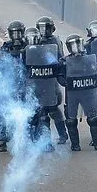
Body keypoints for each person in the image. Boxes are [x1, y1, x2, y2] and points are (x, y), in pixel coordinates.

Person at [58, 34, 97, 151]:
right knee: (71, 120)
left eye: (78, 44)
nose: (76, 47)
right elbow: (59, 75)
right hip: (72, 93)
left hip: (87, 92)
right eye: (73, 45)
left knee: (93, 118)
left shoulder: (89, 58)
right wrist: (66, 83)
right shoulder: (64, 61)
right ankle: (75, 144)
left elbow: (96, 70)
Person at [36, 16, 69, 145]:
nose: (44, 31)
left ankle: (63, 134)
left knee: (53, 108)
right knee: (42, 111)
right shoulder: (35, 40)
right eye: (41, 28)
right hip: (39, 78)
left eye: (46, 28)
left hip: (51, 79)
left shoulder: (55, 41)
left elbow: (59, 59)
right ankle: (45, 139)